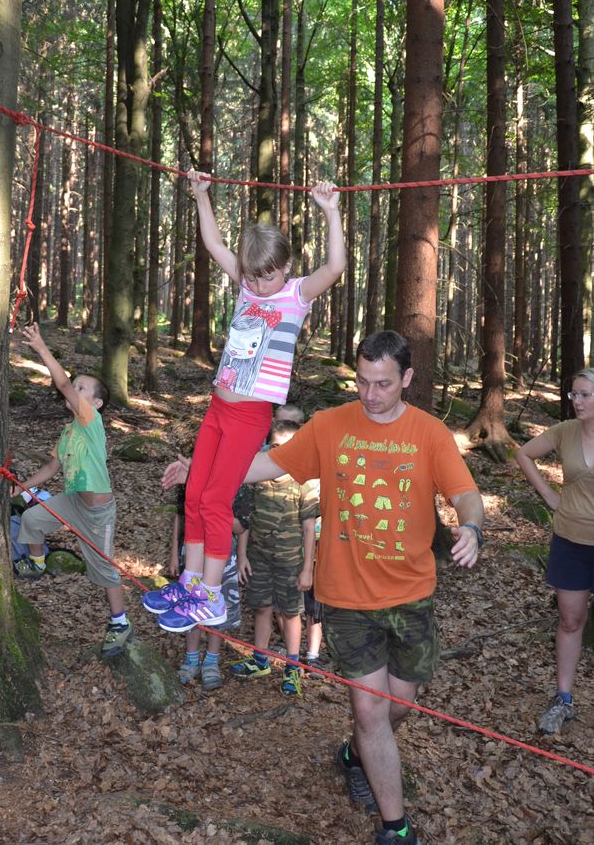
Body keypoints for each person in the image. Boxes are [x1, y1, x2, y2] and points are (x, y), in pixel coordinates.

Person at [242, 330, 484, 845]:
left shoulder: (429, 433)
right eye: (362, 382)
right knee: (370, 709)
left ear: (407, 378)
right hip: (346, 597)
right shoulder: (330, 425)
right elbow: (268, 464)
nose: (370, 395)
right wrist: (203, 472)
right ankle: (396, 828)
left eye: (383, 384)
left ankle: (356, 753)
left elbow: (466, 493)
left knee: (400, 705)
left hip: (411, 595)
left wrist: (472, 528)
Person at [143, 169, 345, 631]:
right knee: (195, 493)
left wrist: (330, 211)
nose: (259, 286)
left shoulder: (295, 295)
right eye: (252, 278)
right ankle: (191, 582)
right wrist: (201, 195)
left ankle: (212, 595)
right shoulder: (245, 287)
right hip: (218, 408)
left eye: (267, 277)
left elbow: (334, 268)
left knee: (216, 499)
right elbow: (215, 244)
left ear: (285, 267)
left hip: (250, 414)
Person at [11, 323, 133, 659]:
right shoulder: (68, 433)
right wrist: (21, 487)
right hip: (73, 502)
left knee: (104, 570)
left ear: (95, 403)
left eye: (81, 388)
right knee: (32, 519)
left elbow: (62, 384)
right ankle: (37, 563)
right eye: (75, 385)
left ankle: (120, 622)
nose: (73, 390)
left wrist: (41, 347)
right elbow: (52, 468)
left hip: (97, 512)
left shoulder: (90, 422)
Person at [515, 367, 594, 734]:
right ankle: (563, 698)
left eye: (585, 395)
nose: (577, 401)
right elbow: (523, 454)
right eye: (574, 394)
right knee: (570, 620)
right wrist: (548, 494)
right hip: (571, 541)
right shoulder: (565, 432)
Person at [232, 418, 319, 698]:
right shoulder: (258, 474)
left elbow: (309, 528)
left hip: (290, 561)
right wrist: (242, 556)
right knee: (261, 607)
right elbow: (246, 518)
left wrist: (307, 569)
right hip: (259, 557)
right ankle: (260, 660)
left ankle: (292, 667)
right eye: (276, 445)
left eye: (288, 446)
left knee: (290, 613)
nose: (281, 452)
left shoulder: (305, 480)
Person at [157, 453, 251, 691]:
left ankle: (211, 661)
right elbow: (181, 515)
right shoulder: (193, 478)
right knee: (189, 606)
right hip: (192, 555)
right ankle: (191, 659)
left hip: (223, 558)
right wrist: (174, 553)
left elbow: (242, 526)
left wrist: (219, 511)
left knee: (214, 609)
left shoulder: (237, 481)